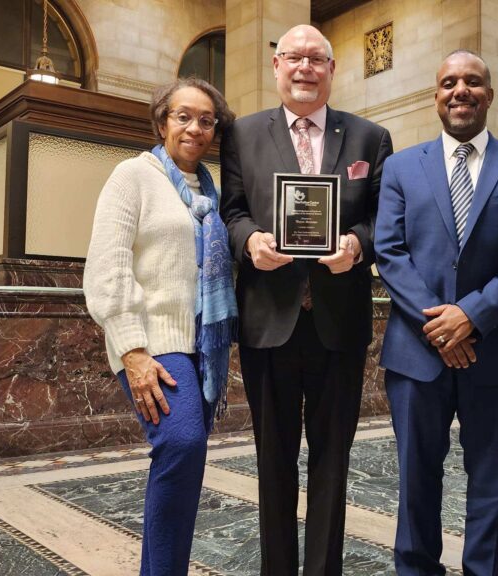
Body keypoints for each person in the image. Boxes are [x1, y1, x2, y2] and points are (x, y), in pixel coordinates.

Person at [220, 24, 393, 576]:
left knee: (332, 463)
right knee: (272, 464)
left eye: (316, 59)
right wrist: (248, 241)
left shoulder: (369, 138)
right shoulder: (242, 135)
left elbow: (381, 220)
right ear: (276, 67)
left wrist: (357, 246)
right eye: (293, 57)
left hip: (338, 325)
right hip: (268, 323)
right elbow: (232, 210)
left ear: (331, 70)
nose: (304, 68)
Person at [374, 50, 498, 576]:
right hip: (417, 352)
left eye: (472, 82)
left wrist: (470, 317)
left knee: (491, 484)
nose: (460, 90)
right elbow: (390, 252)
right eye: (448, 82)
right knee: (416, 483)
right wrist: (442, 325)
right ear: (435, 96)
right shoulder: (403, 167)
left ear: (489, 95)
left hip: (497, 351)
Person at [83, 77, 237, 576]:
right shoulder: (133, 176)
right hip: (153, 343)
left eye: (206, 120)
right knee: (182, 443)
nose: (195, 128)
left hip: (200, 347)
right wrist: (133, 351)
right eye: (183, 116)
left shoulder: (211, 192)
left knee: (183, 461)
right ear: (161, 122)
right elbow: (107, 268)